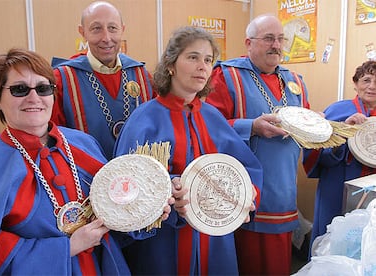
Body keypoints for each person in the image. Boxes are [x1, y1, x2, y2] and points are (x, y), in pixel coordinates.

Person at [0, 48, 172, 275]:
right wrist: (66, 248)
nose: (34, 98)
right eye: (19, 89)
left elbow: (114, 216)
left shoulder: (84, 144)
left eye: (43, 88)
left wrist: (145, 213)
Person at [114, 26, 263, 275]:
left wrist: (245, 198)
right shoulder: (143, 120)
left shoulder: (213, 117)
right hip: (163, 241)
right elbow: (123, 185)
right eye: (193, 57)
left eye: (208, 60)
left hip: (214, 239)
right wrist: (166, 187)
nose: (202, 66)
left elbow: (247, 168)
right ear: (171, 64)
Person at [206, 14, 310, 275]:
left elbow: (305, 122)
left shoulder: (295, 81)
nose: (276, 45)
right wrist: (250, 127)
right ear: (249, 43)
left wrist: (320, 124)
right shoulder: (225, 75)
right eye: (268, 39)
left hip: (284, 189)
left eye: (280, 39)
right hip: (244, 193)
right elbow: (206, 127)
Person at [51, 1, 154, 160]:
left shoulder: (141, 75)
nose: (106, 38)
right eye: (96, 29)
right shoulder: (63, 79)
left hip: (137, 177)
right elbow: (51, 140)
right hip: (84, 177)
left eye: (113, 28)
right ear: (83, 32)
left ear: (122, 30)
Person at [303, 60, 376, 254]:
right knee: (331, 240)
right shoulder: (337, 111)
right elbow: (317, 153)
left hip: (373, 189)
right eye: (366, 80)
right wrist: (343, 131)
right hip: (337, 186)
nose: (372, 86)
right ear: (355, 83)